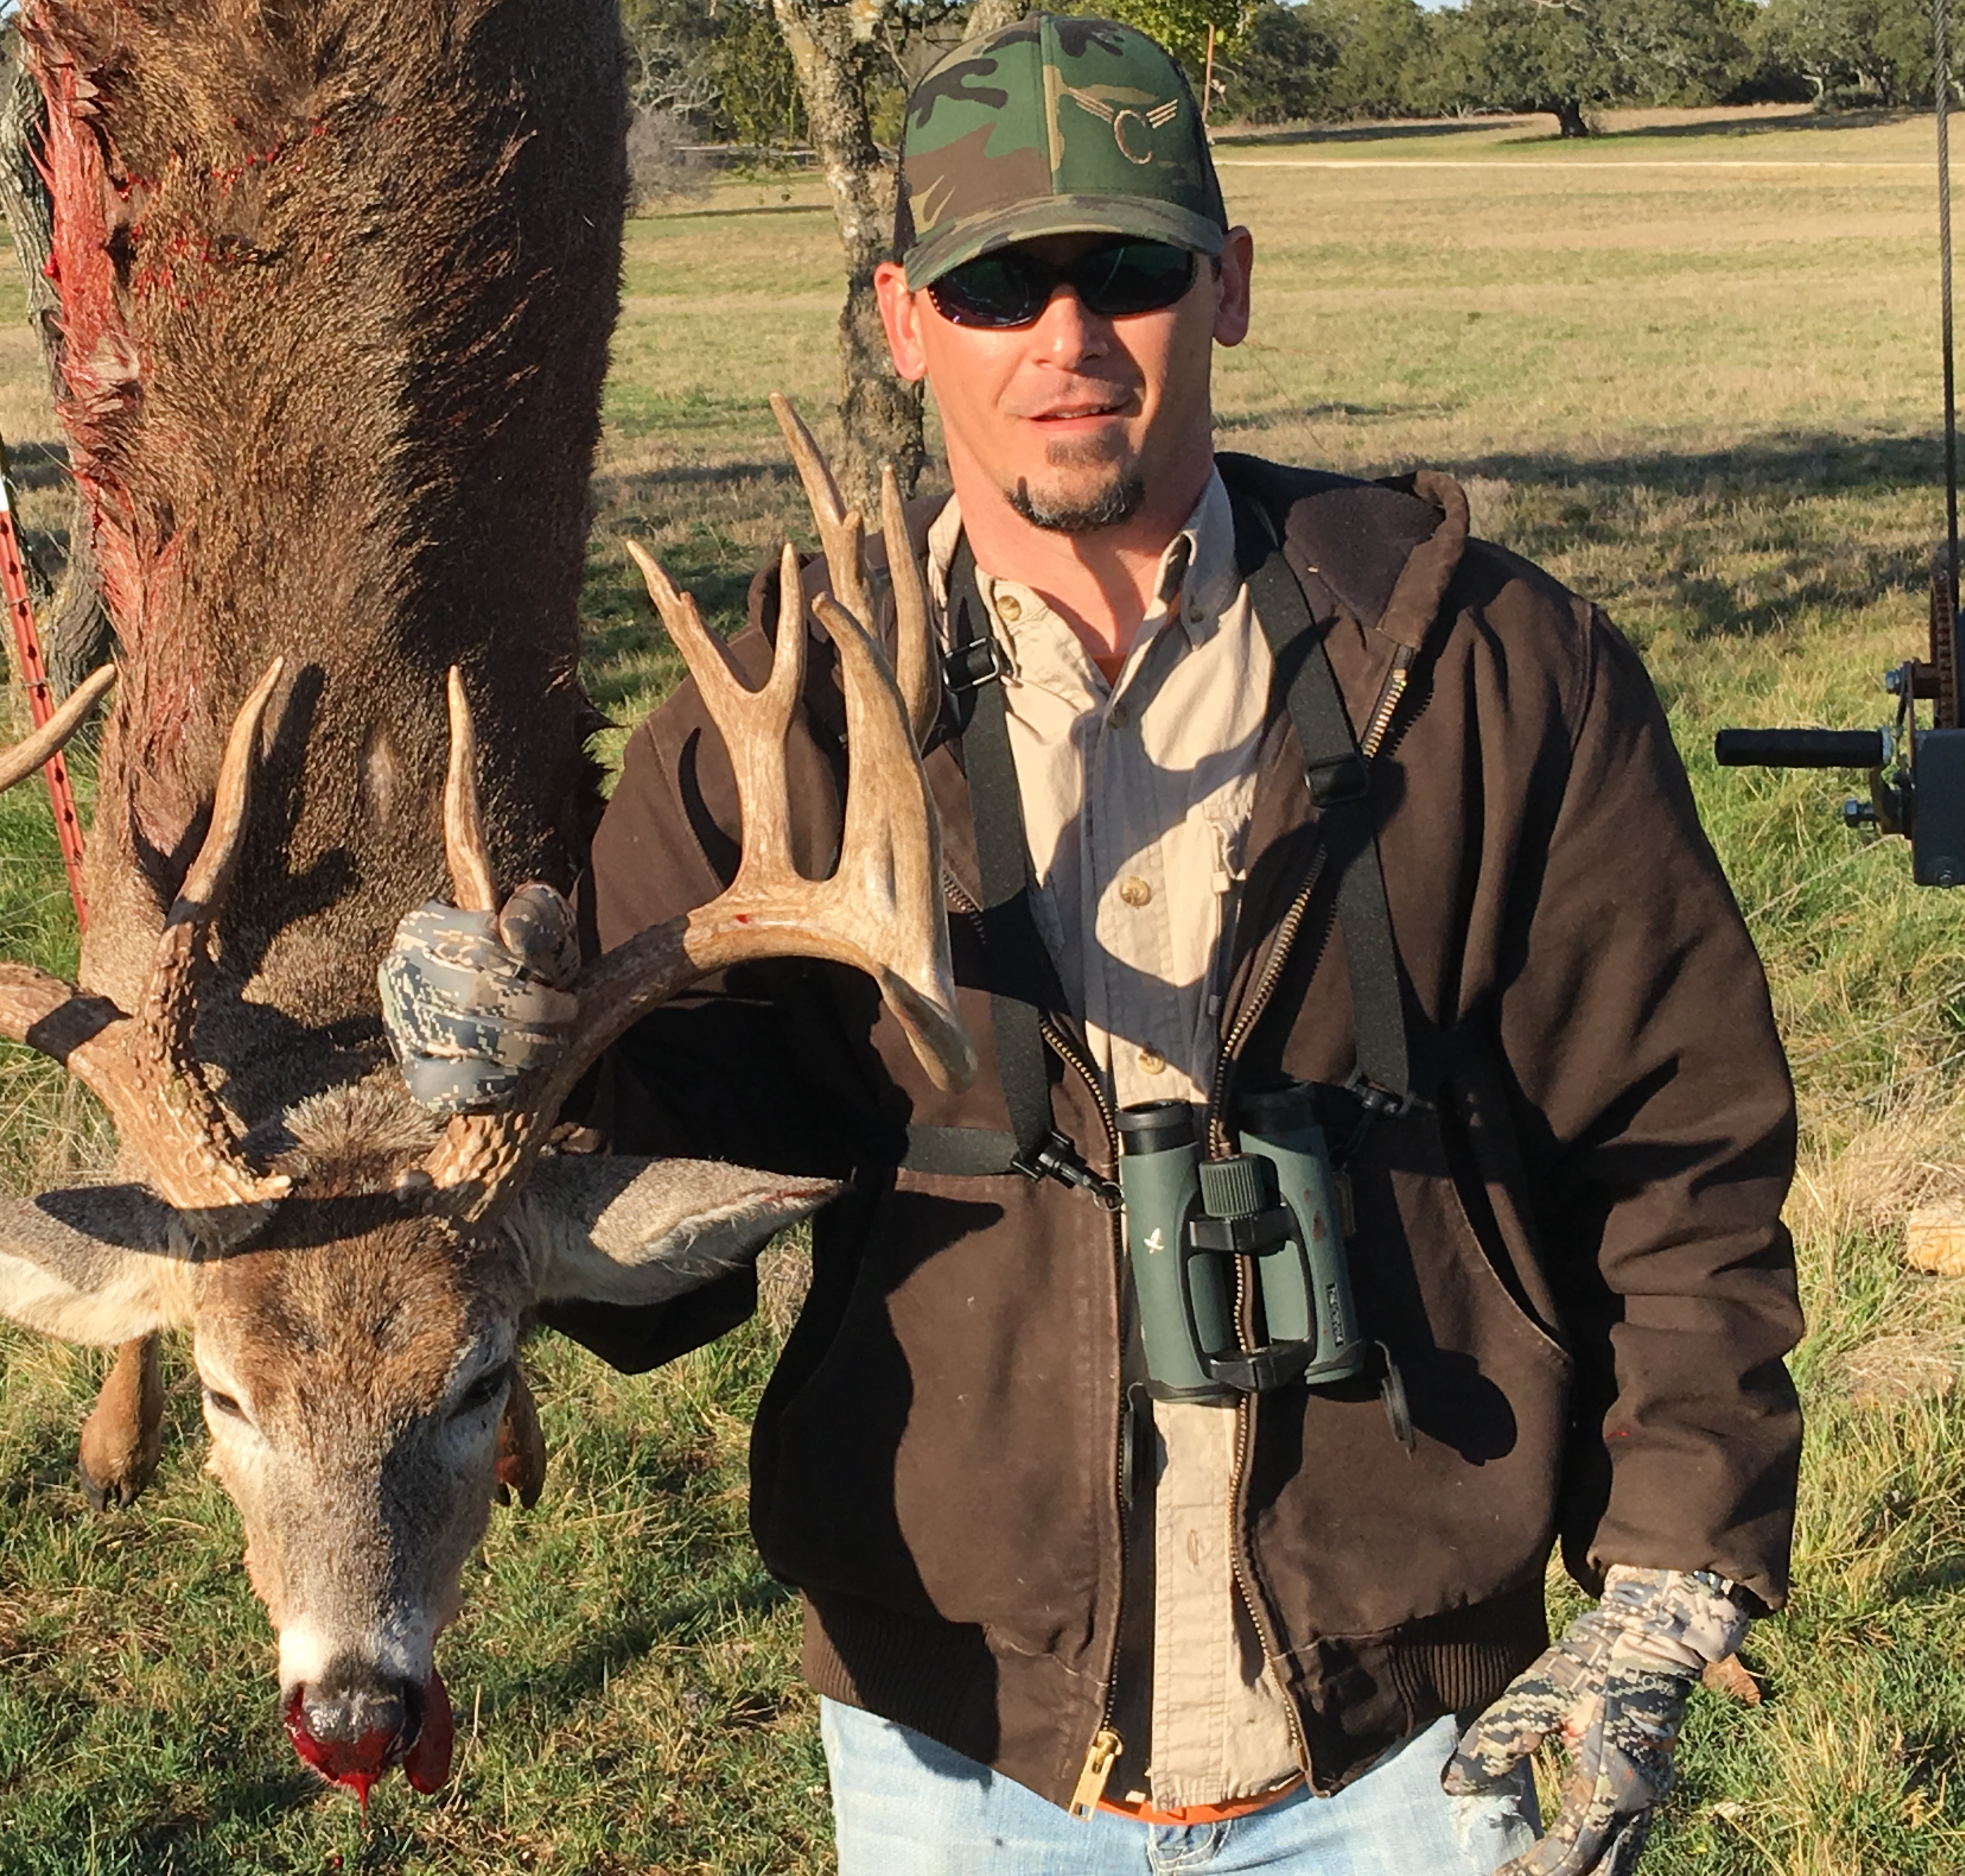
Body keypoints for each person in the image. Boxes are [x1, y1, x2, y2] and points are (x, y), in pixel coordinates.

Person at [380, 16, 1802, 1874]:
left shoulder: (1489, 676)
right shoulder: (781, 722)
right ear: (904, 320)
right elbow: (653, 1236)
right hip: (959, 1754)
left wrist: (1672, 1574)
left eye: (1127, 270)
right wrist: (527, 1063)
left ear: (1230, 287)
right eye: (996, 286)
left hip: (1417, 1747)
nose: (1066, 338)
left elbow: (1679, 1154)